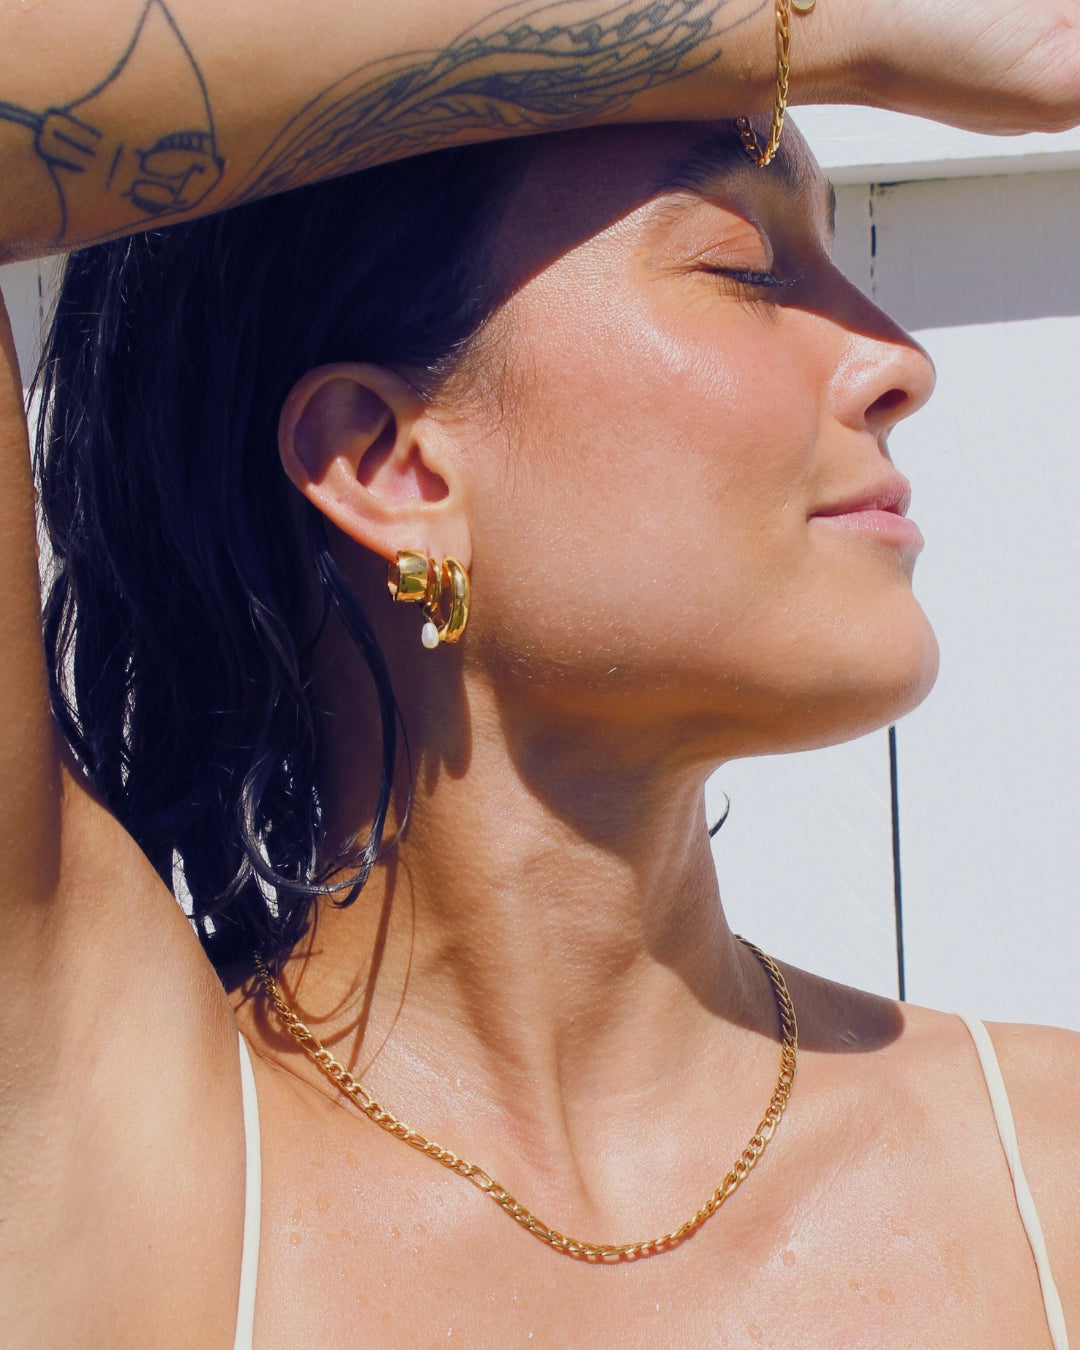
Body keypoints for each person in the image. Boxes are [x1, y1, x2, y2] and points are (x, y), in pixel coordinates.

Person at [2, 2, 1080, 1346]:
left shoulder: (1054, 1175)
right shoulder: (111, 1165)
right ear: (389, 464)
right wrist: (824, 22)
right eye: (747, 260)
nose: (898, 360)